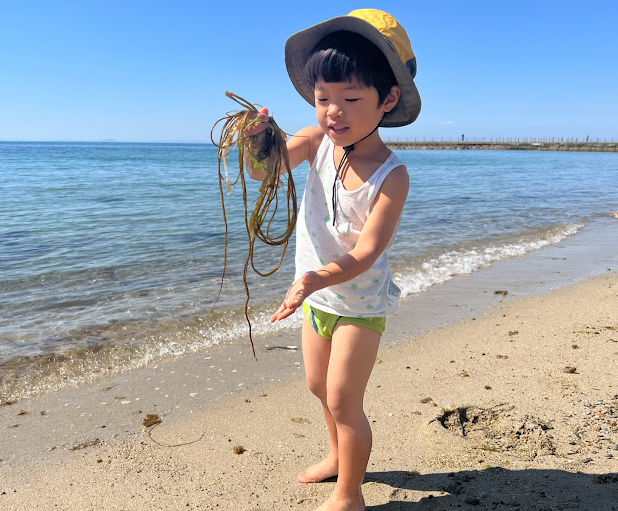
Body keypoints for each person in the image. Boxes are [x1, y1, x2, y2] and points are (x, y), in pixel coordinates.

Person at [246, 9, 421, 510]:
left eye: (351, 99)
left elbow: (366, 252)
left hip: (360, 302)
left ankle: (350, 495)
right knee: (318, 387)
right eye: (323, 98)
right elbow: (264, 171)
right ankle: (337, 456)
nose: (333, 113)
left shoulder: (391, 176)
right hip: (317, 297)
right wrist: (256, 140)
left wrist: (312, 279)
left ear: (388, 99)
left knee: (345, 399)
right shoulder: (316, 141)